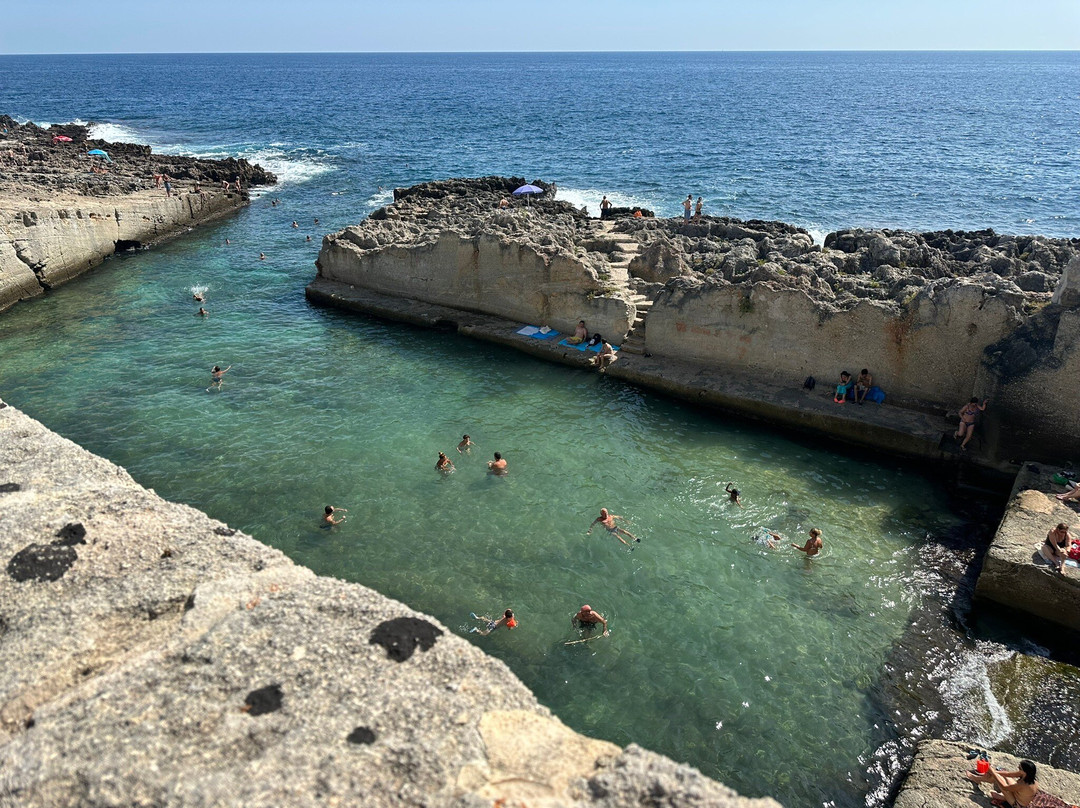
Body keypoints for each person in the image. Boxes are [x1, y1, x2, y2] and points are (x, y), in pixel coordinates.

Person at [964, 759, 1039, 807]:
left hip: (1017, 804)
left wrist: (992, 772)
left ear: (1024, 772)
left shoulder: (1023, 785)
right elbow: (1009, 774)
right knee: (999, 775)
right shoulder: (1028, 777)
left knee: (997, 779)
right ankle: (979, 778)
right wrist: (992, 772)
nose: (1018, 768)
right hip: (1018, 795)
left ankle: (976, 779)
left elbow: (1004, 787)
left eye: (1019, 768)